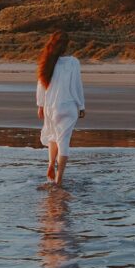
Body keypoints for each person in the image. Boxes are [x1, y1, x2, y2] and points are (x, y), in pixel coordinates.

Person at [36, 31, 85, 185]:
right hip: (68, 107)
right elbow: (77, 85)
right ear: (67, 46)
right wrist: (81, 105)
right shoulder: (73, 62)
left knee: (53, 136)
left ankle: (51, 164)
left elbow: (41, 85)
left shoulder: (48, 61)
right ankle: (58, 180)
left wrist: (41, 105)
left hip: (51, 107)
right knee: (63, 141)